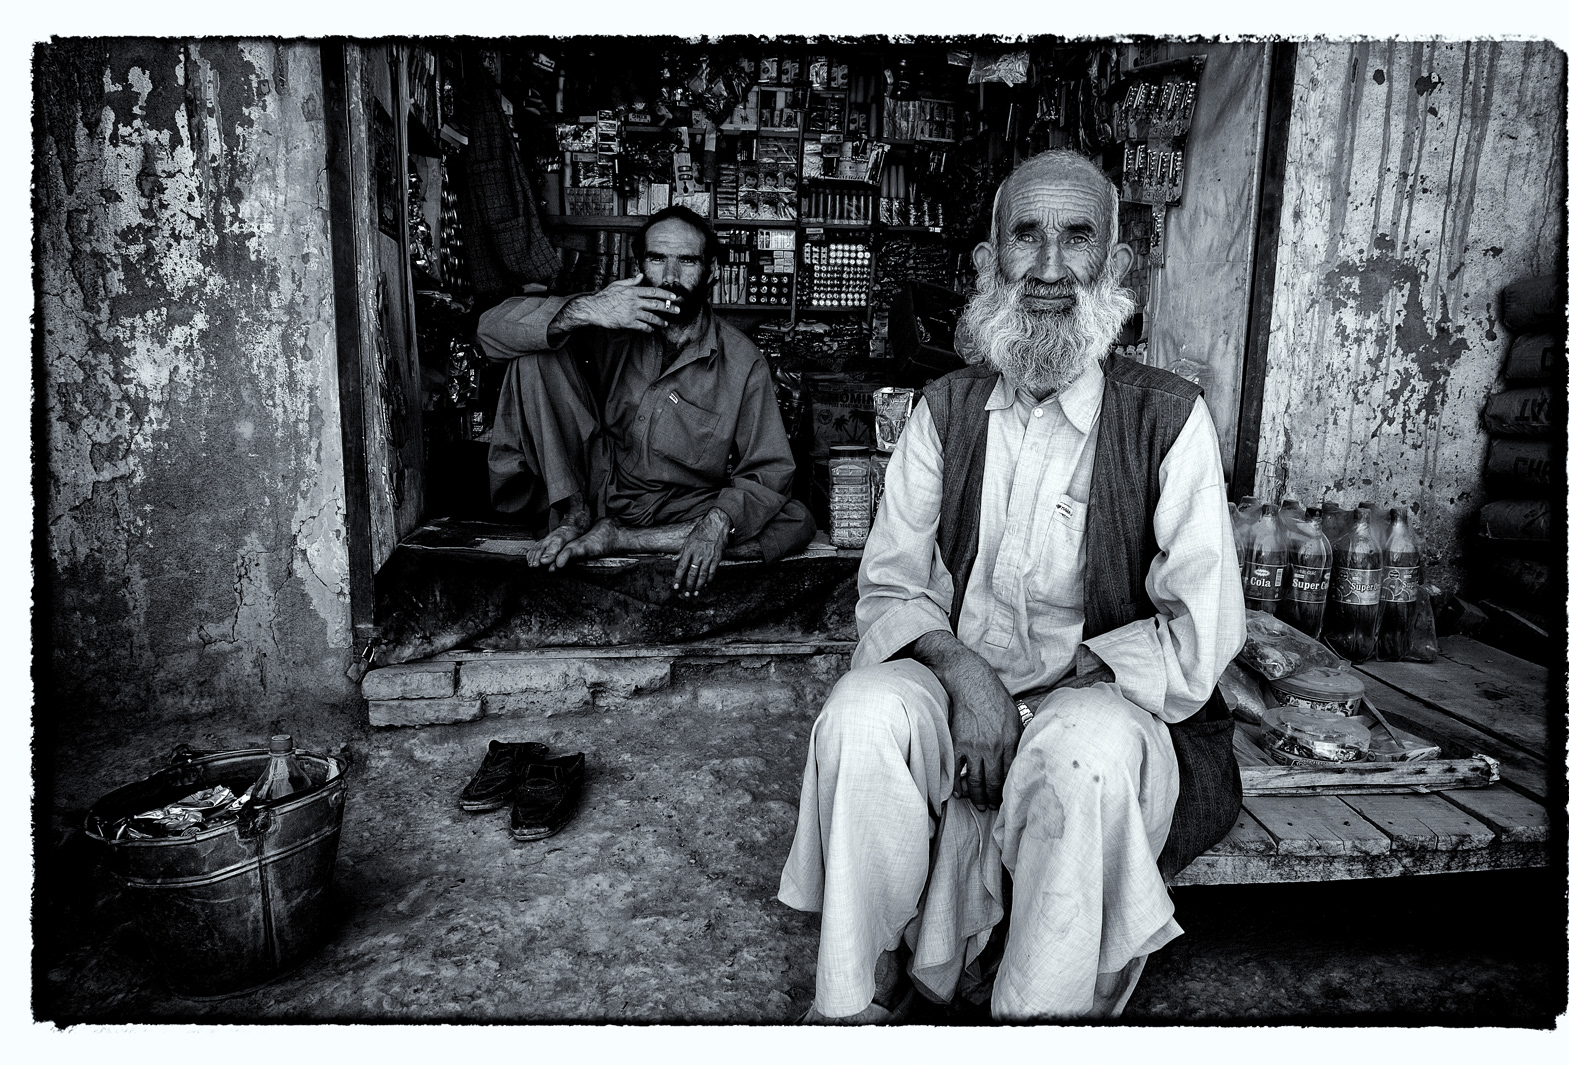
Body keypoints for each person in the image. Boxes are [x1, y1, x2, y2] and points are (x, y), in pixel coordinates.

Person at [777, 149, 1247, 1022]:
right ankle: (849, 1004)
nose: (1049, 267)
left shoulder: (1169, 417)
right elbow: (889, 582)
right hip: (965, 680)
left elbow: (1198, 630)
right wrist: (969, 679)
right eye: (1024, 236)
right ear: (989, 259)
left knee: (1083, 754)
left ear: (1115, 261)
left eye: (1078, 237)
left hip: (1105, 697)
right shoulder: (945, 408)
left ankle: (1037, 1017)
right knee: (860, 712)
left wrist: (1039, 704)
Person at [476, 205, 815, 598]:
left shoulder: (742, 362)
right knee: (535, 348)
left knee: (794, 519)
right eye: (657, 259)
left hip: (672, 509)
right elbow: (490, 332)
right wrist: (589, 308)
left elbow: (770, 471)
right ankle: (576, 517)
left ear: (713, 271)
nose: (670, 277)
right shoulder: (607, 323)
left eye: (687, 261)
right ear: (639, 266)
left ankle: (621, 538)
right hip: (587, 485)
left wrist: (718, 523)